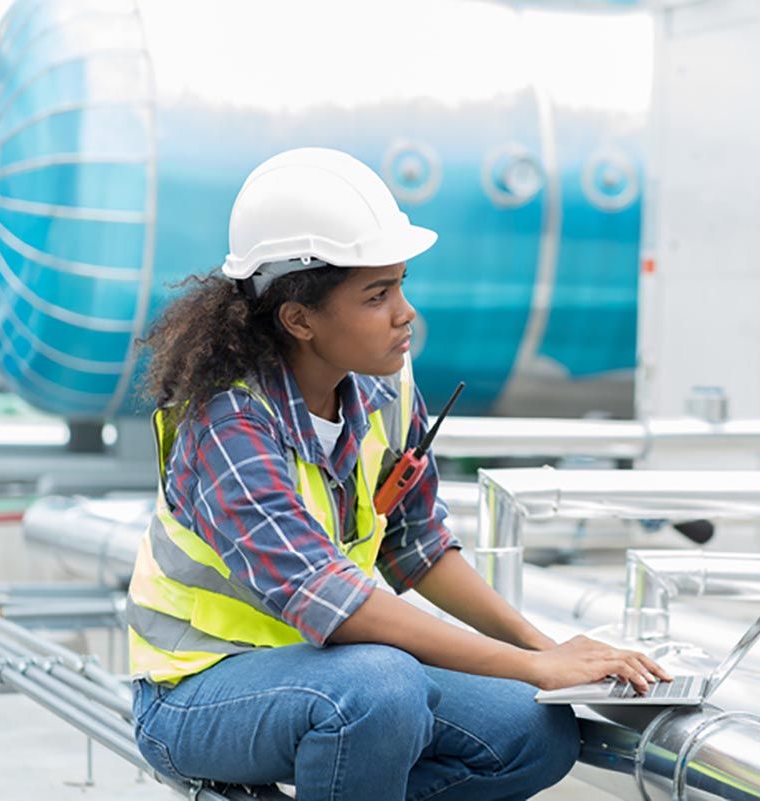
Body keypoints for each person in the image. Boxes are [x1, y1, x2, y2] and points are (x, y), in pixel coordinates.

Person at [125, 147, 670, 801]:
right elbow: (339, 605)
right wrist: (534, 663)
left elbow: (418, 546)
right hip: (197, 692)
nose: (404, 311)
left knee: (534, 729)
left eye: (402, 284)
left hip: (332, 674)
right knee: (383, 688)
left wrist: (546, 649)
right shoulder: (230, 421)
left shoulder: (385, 388)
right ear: (299, 319)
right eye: (377, 295)